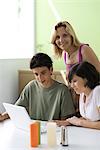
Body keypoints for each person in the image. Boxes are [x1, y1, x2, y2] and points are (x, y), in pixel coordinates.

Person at [0, 52, 75, 121]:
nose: (40, 78)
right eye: (36, 74)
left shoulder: (62, 90)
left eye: (43, 73)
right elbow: (16, 109)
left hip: (53, 131)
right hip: (34, 129)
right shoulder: (30, 86)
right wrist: (3, 116)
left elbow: (66, 121)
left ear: (51, 70)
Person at [51, 21, 100, 114]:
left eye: (65, 35)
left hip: (92, 98)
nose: (61, 40)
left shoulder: (84, 50)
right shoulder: (65, 54)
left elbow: (98, 73)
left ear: (71, 36)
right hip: (78, 96)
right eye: (57, 37)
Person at [56, 61, 100, 130]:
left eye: (75, 81)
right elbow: (88, 118)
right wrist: (68, 122)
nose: (72, 86)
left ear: (86, 79)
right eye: (71, 82)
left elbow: (83, 122)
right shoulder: (82, 94)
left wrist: (79, 122)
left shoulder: (98, 91)